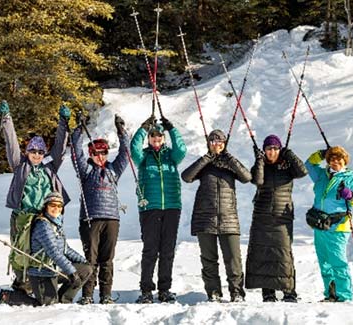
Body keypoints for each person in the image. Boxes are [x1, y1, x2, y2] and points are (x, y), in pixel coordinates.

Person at [0, 100, 71, 298]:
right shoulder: (19, 166)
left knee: (46, 250)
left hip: (44, 218)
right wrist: (6, 119)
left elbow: (60, 149)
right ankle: (21, 282)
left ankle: (42, 280)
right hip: (23, 216)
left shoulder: (49, 168)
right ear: (27, 152)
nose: (37, 155)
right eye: (33, 151)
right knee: (22, 250)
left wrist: (63, 121)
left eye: (40, 152)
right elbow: (11, 143)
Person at [181, 129, 252, 302]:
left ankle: (236, 293)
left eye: (220, 141)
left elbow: (247, 177)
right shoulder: (205, 164)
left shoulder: (229, 163)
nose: (216, 144)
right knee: (209, 260)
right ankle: (213, 292)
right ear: (208, 143)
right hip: (205, 220)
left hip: (229, 219)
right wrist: (207, 158)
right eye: (212, 141)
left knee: (233, 259)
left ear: (225, 143)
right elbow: (186, 176)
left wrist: (228, 157)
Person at [71, 114, 129, 304]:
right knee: (91, 259)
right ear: (91, 154)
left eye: (103, 153)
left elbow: (125, 153)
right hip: (90, 219)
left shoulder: (113, 170)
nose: (100, 156)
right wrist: (79, 129)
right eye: (96, 153)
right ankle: (87, 295)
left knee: (107, 259)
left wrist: (122, 132)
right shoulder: (86, 171)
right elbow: (75, 153)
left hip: (111, 219)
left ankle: (106, 294)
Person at [0, 192, 93, 306]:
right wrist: (72, 272)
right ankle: (8, 297)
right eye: (53, 205)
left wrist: (84, 261)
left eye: (59, 206)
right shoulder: (43, 225)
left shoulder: (56, 224)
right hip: (40, 272)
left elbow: (65, 249)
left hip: (53, 269)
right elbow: (53, 252)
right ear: (46, 206)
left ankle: (64, 301)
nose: (56, 208)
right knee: (46, 305)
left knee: (86, 269)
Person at [130, 115, 186, 303]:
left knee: (168, 250)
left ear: (163, 138)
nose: (156, 139)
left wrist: (171, 128)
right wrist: (143, 128)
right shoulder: (144, 157)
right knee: (150, 249)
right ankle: (146, 290)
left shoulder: (171, 156)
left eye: (159, 136)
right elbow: (133, 149)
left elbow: (182, 149)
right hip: (150, 207)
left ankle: (164, 289)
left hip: (171, 206)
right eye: (152, 136)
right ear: (149, 138)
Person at [245, 135, 307, 303]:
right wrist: (259, 161)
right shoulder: (261, 165)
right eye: (268, 149)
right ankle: (268, 293)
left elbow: (302, 171)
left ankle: (289, 292)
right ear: (264, 151)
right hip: (261, 216)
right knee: (264, 254)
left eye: (275, 149)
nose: (272, 152)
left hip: (282, 217)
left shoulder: (287, 166)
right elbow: (257, 181)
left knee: (284, 255)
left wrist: (290, 154)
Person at [305, 146, 353, 302]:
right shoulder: (322, 175)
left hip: (338, 227)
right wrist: (320, 153)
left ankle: (344, 296)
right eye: (332, 159)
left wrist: (351, 195)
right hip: (320, 226)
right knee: (324, 263)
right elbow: (309, 164)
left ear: (344, 160)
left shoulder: (350, 178)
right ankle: (331, 294)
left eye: (339, 159)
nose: (335, 162)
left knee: (338, 263)